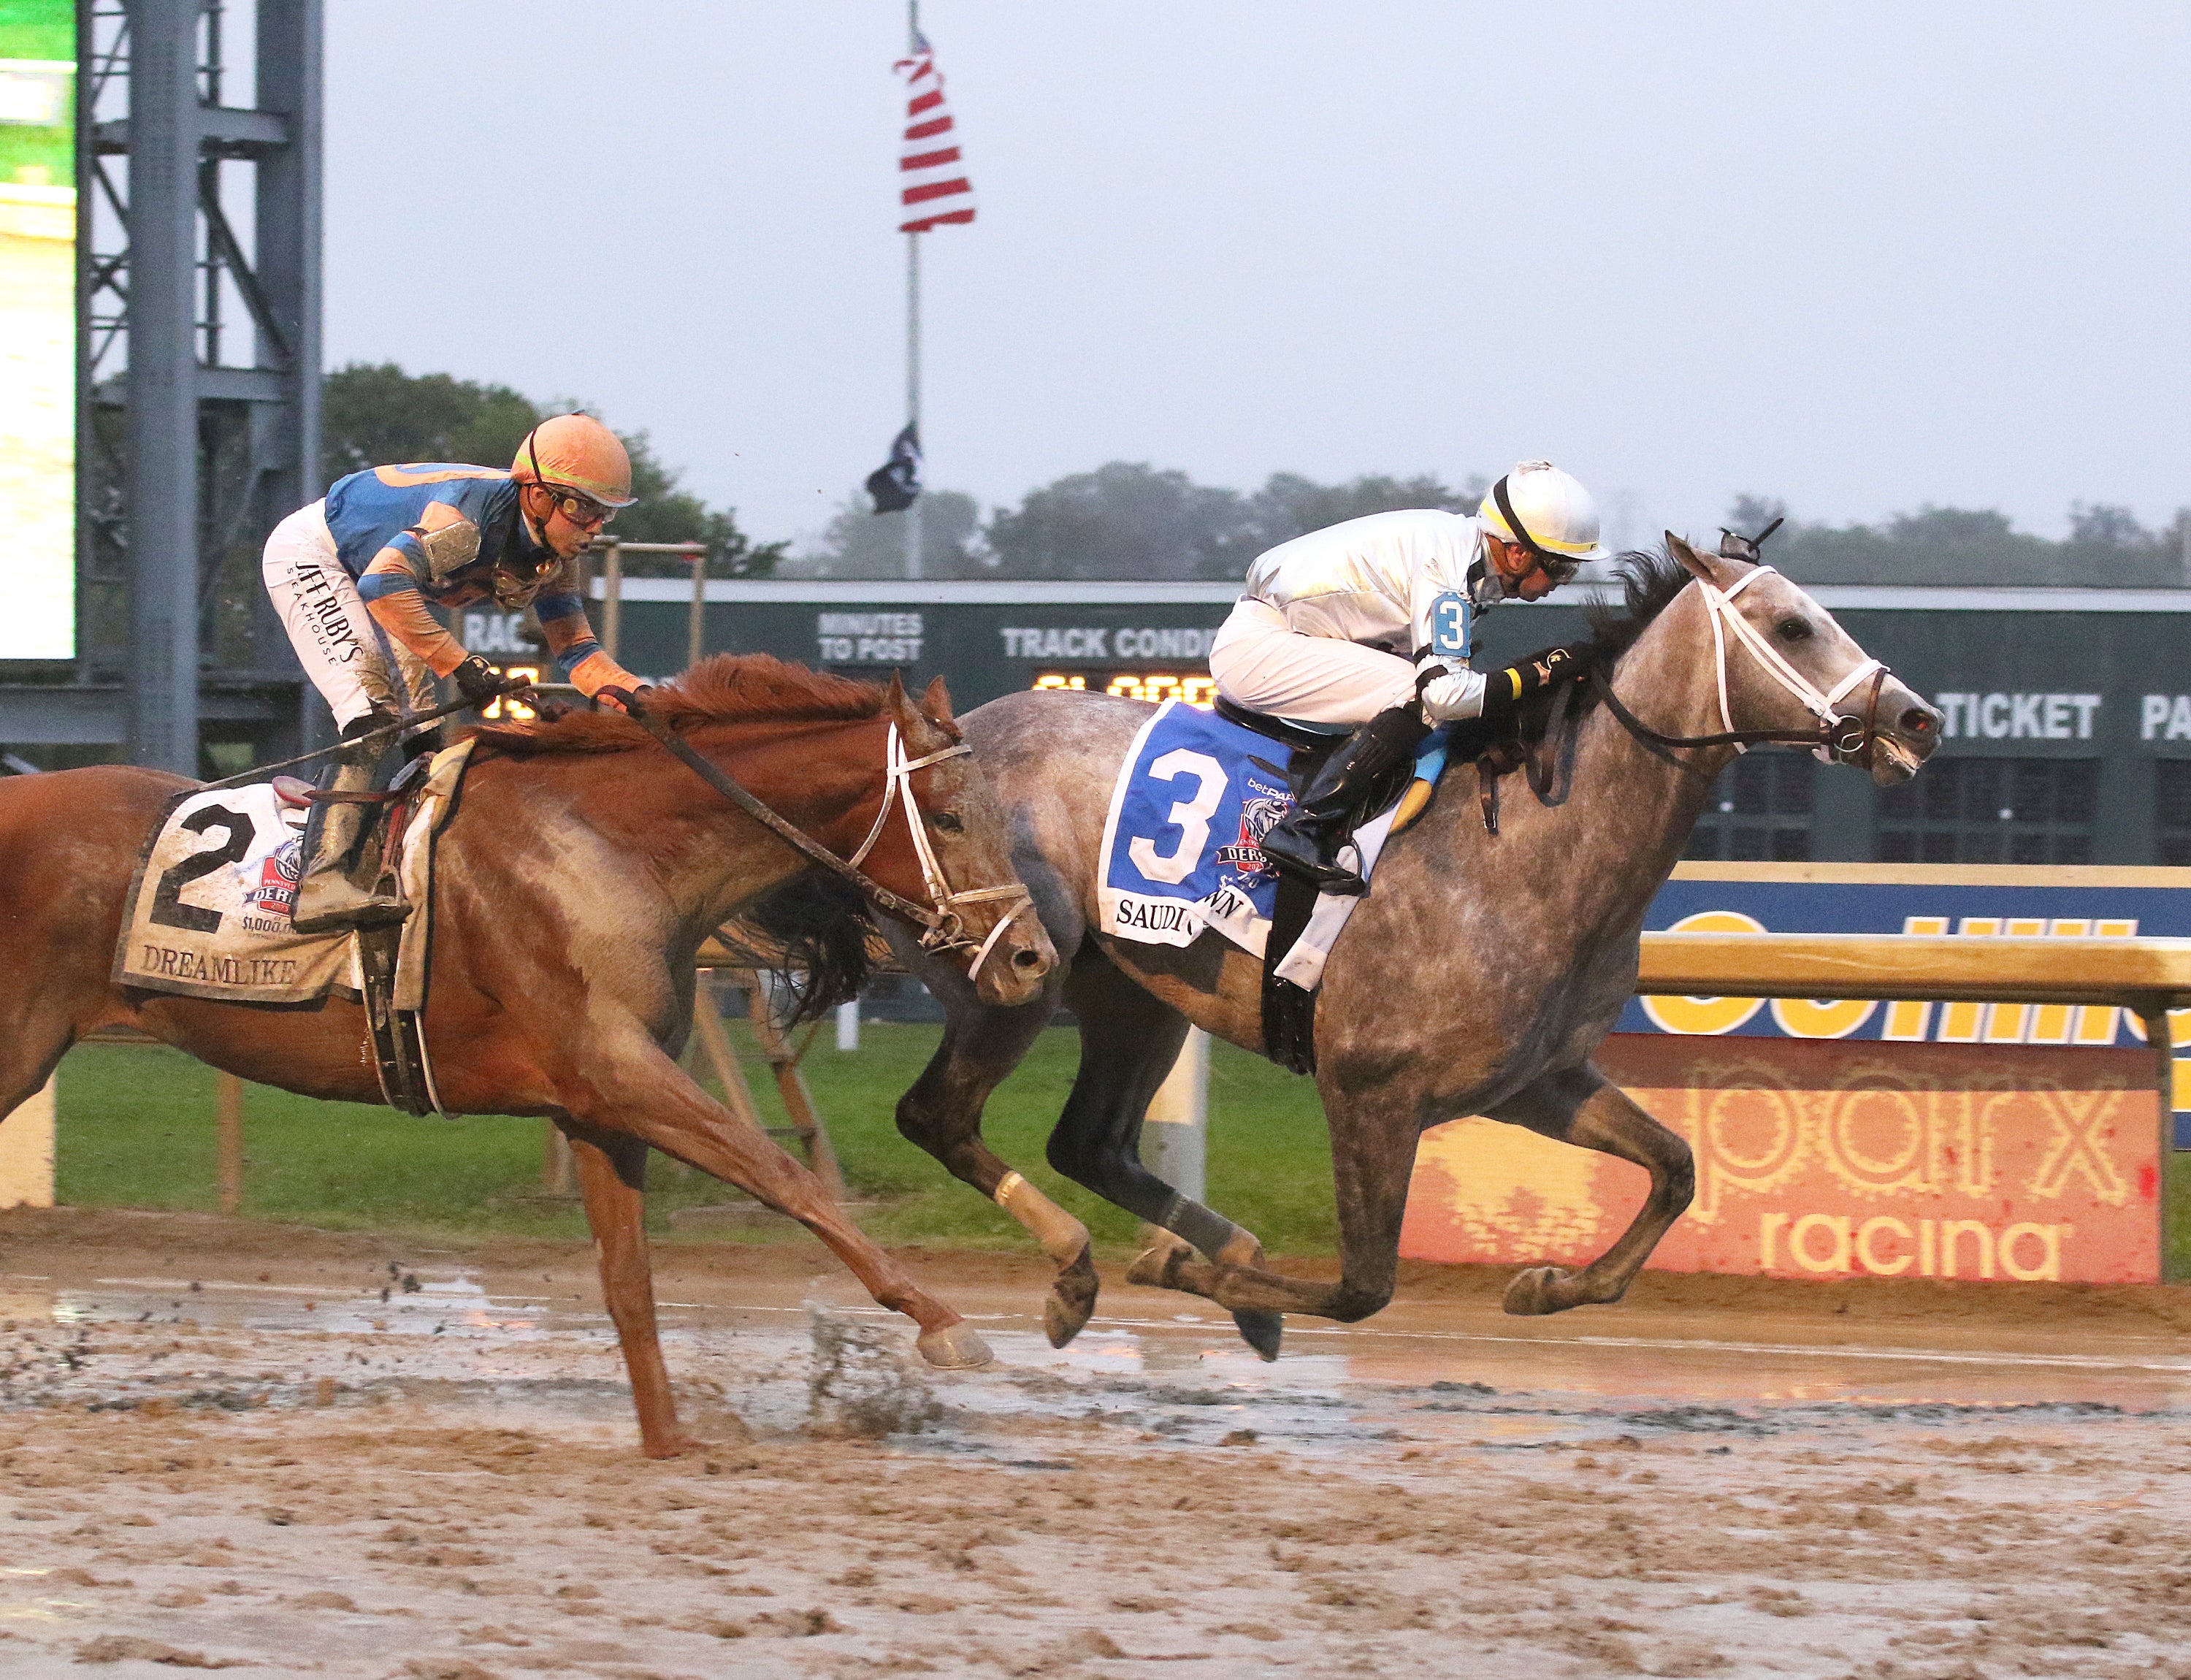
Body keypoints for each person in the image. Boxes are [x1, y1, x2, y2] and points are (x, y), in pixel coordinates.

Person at [260, 413, 647, 931]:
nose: (595, 527)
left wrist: (640, 694)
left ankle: (406, 858)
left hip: (378, 573)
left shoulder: (556, 557)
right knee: (373, 716)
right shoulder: (467, 521)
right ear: (536, 495)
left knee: (423, 734)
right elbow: (380, 584)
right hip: (320, 557)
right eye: (583, 508)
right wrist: (463, 666)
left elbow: (577, 651)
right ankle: (319, 884)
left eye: (606, 514)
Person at [1207, 460, 1607, 893]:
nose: (1561, 583)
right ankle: (1304, 829)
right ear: (1518, 553)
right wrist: (1540, 671)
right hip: (1263, 645)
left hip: (1286, 631)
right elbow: (1445, 696)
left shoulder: (1462, 554)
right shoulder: (1449, 572)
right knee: (1418, 697)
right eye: (1561, 568)